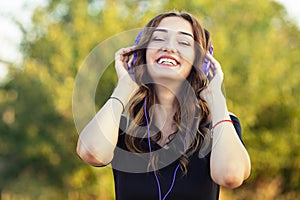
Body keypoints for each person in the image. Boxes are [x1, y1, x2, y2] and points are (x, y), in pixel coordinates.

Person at [76, 11, 251, 200]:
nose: (169, 47)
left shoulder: (220, 125)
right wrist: (124, 87)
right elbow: (91, 152)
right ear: (141, 55)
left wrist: (216, 98)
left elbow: (231, 175)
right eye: (159, 39)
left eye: (183, 42)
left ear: (201, 63)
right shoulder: (122, 129)